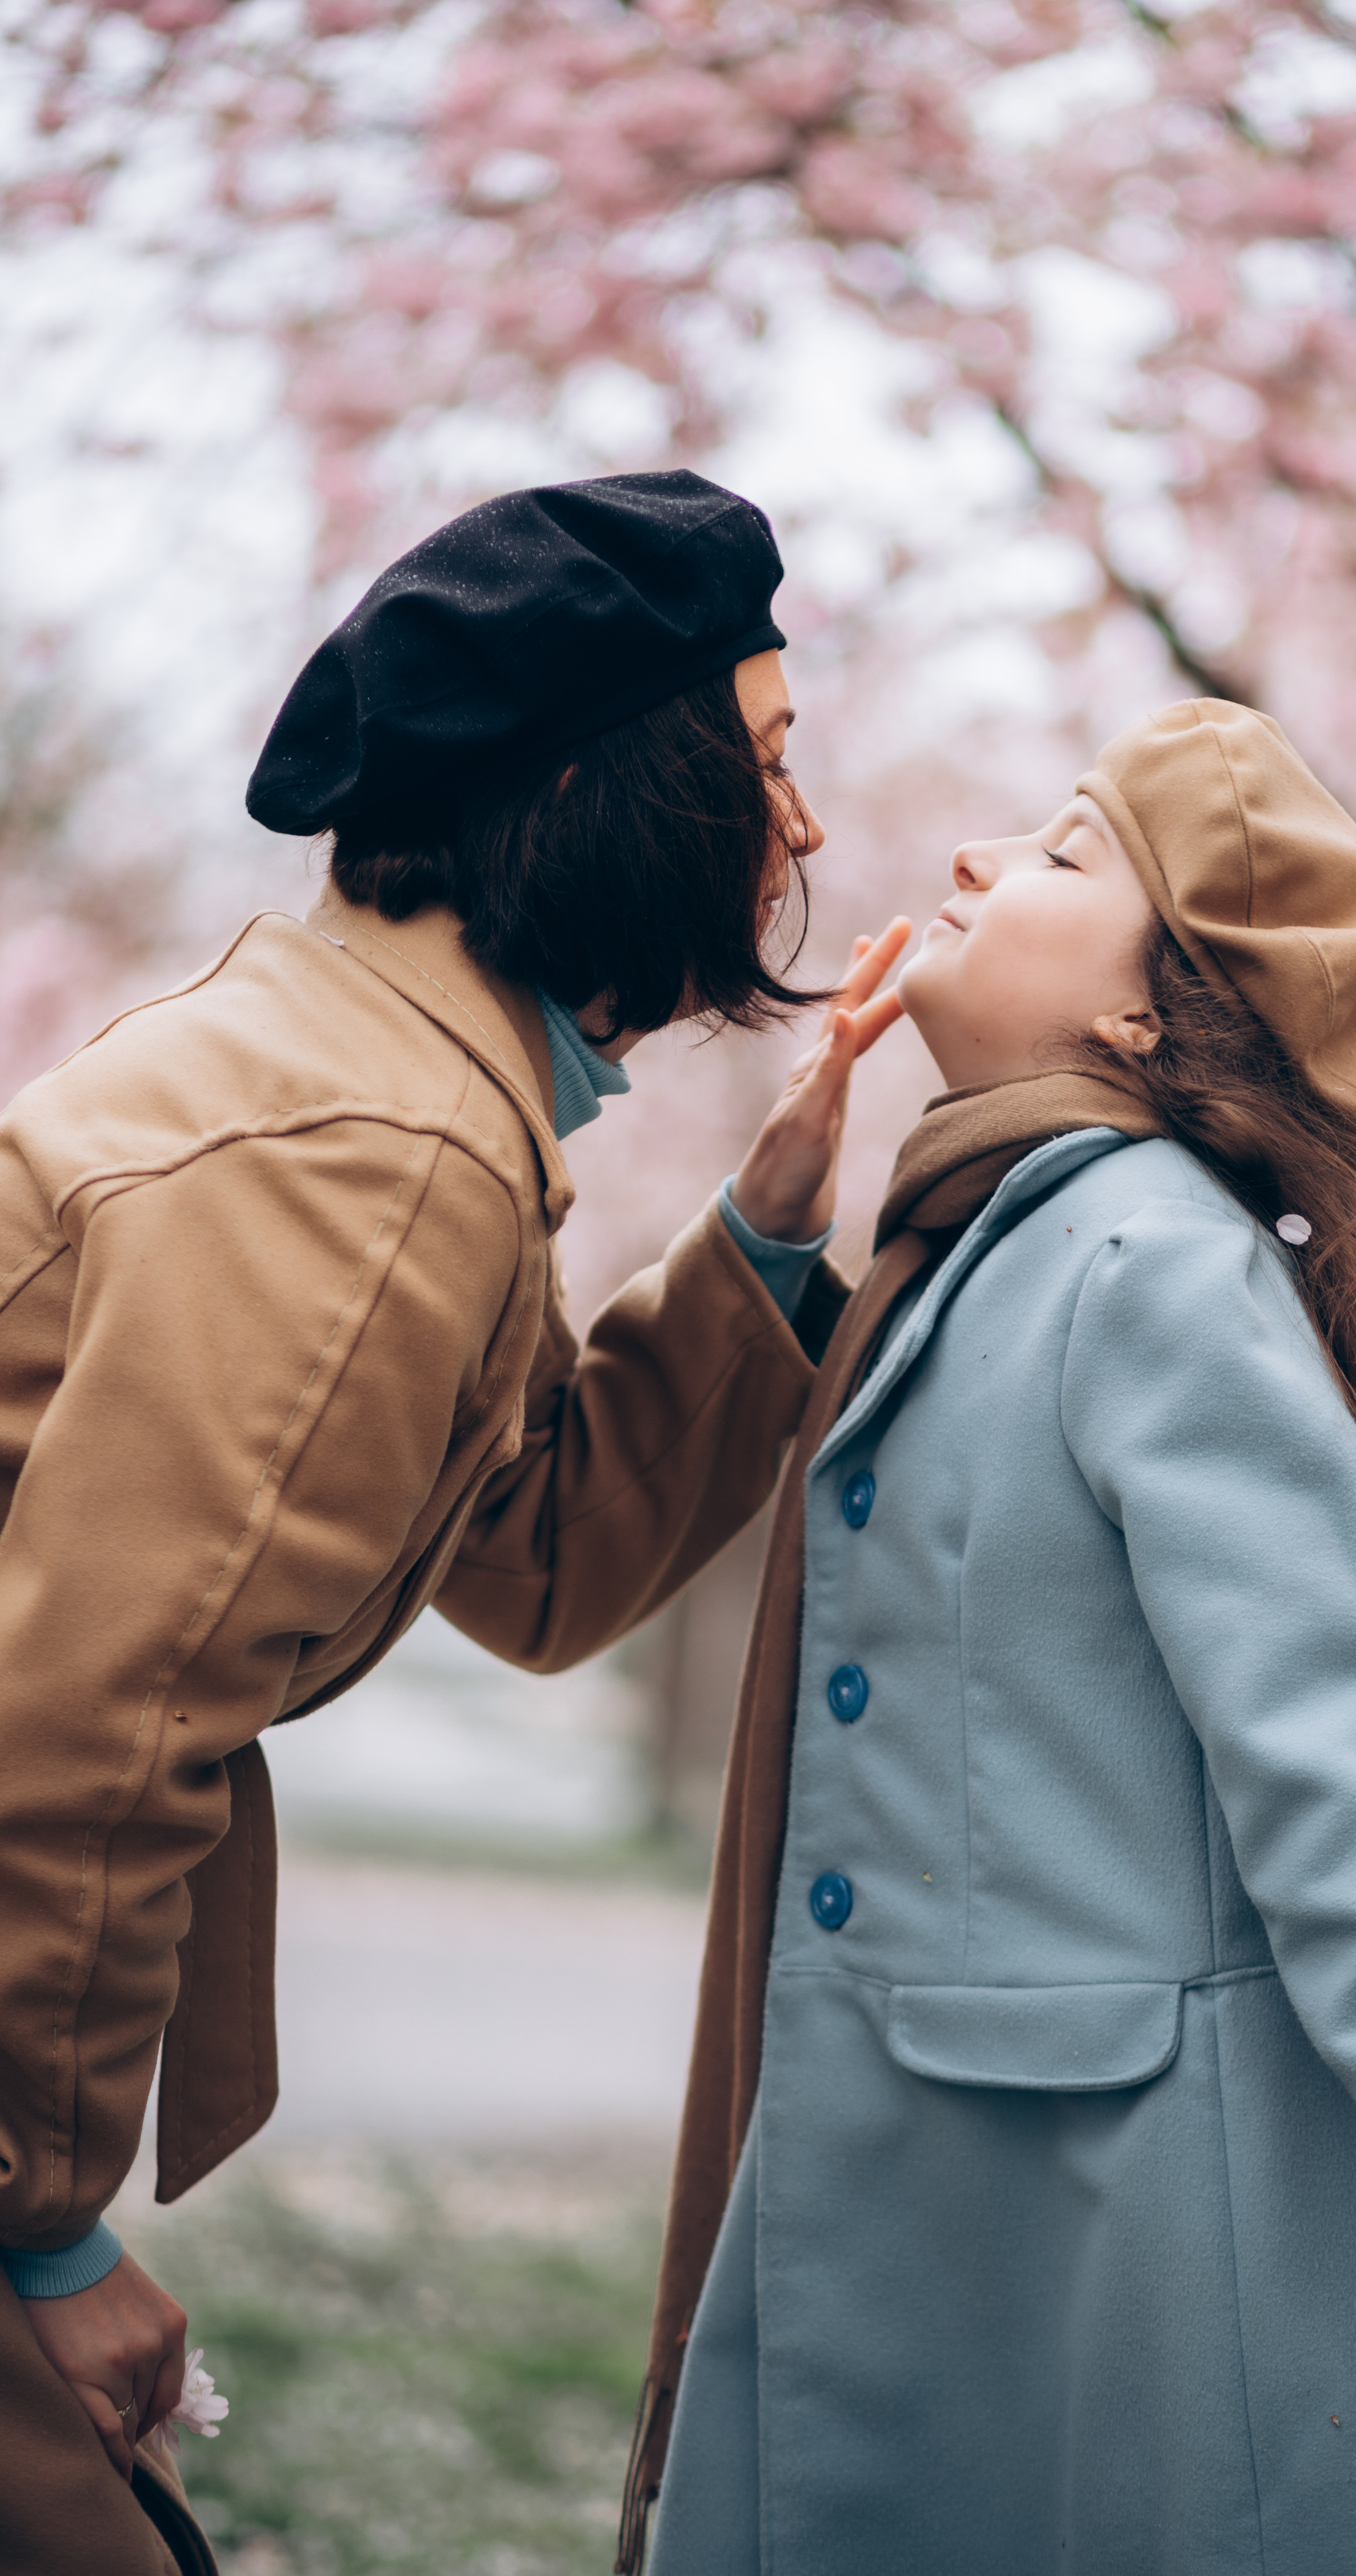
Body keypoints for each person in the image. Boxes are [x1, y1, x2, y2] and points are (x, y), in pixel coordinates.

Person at [626, 695, 1356, 2576]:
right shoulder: (990, 1242)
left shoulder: (1147, 1261)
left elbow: (1336, 1725)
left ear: (1151, 1013)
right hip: (991, 2183)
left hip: (1126, 2223)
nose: (969, 858)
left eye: (1057, 855)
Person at [0, 469, 907, 2576]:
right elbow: (92, 1737)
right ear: (617, 791)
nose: (810, 830)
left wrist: (765, 1231)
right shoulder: (377, 1154)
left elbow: (528, 1561)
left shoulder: (399, 1087)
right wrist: (46, 2236)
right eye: (768, 761)